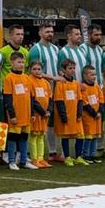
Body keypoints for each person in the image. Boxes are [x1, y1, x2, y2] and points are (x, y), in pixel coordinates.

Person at [28, 25, 62, 162]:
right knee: (40, 120)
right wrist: (53, 78)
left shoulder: (55, 49)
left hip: (54, 88)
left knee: (52, 120)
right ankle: (36, 154)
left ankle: (52, 152)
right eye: (47, 31)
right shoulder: (35, 49)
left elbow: (58, 68)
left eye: (52, 31)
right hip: (40, 89)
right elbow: (35, 71)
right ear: (40, 33)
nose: (50, 34)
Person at [2, 52, 35, 170]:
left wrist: (32, 113)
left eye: (23, 62)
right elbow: (7, 98)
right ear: (12, 63)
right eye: (19, 62)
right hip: (15, 115)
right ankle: (11, 161)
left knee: (24, 137)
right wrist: (12, 115)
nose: (21, 64)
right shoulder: (9, 78)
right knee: (12, 138)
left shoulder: (27, 78)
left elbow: (31, 97)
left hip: (26, 114)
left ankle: (23, 161)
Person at [53, 59, 84, 166]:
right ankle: (67, 157)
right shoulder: (60, 84)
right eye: (70, 68)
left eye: (73, 68)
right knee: (65, 136)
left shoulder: (76, 83)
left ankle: (78, 156)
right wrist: (63, 116)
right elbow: (59, 101)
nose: (72, 70)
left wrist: (79, 113)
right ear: (64, 70)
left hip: (75, 115)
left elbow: (80, 100)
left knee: (80, 136)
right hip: (66, 115)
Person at [28, 60, 52, 168]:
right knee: (34, 136)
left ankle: (41, 158)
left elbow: (50, 98)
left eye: (39, 69)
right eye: (34, 69)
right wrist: (43, 112)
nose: (37, 71)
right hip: (36, 114)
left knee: (41, 136)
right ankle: (34, 159)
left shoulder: (46, 83)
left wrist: (49, 111)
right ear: (30, 70)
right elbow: (32, 100)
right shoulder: (29, 81)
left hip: (44, 115)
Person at [79, 65, 102, 163]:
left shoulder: (97, 86)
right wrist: (94, 113)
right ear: (85, 76)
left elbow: (101, 99)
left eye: (95, 74)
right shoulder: (84, 87)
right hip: (88, 116)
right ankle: (85, 155)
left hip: (97, 116)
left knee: (95, 136)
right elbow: (85, 103)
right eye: (91, 75)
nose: (94, 76)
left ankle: (93, 155)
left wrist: (99, 111)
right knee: (88, 136)